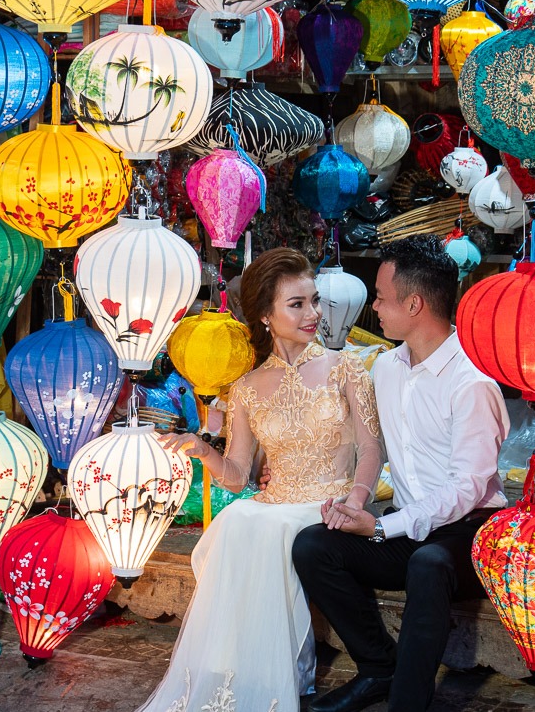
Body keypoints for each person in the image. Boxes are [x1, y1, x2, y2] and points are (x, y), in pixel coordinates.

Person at [139, 247, 384, 712]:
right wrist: (204, 450)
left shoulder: (346, 367)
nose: (313, 313)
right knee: (238, 521)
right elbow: (235, 478)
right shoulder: (248, 387)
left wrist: (356, 500)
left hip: (331, 502)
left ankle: (269, 680)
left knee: (260, 526)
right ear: (266, 316)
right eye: (297, 304)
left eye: (314, 301)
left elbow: (372, 448)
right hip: (276, 501)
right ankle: (231, 676)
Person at [292, 235, 510, 712]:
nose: (375, 307)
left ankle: (407, 705)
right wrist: (355, 499)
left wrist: (382, 526)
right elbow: (375, 447)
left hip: (467, 535)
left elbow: (467, 487)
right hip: (407, 526)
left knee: (429, 563)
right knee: (313, 545)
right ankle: (377, 670)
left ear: (415, 303)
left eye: (382, 298)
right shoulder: (387, 367)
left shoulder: (472, 381)